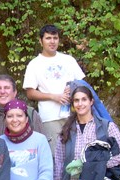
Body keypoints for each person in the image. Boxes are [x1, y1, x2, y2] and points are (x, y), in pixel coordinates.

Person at [23, 24, 86, 154]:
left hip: (74, 113)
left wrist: (74, 93)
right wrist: (54, 97)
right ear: (41, 41)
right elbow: (30, 93)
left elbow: (82, 85)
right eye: (48, 38)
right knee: (56, 155)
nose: (52, 41)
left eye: (55, 38)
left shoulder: (68, 60)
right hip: (50, 117)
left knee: (77, 153)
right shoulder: (34, 64)